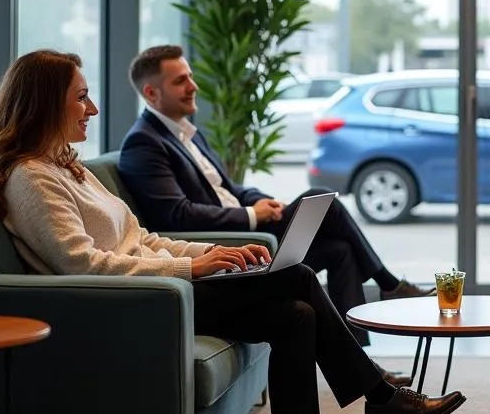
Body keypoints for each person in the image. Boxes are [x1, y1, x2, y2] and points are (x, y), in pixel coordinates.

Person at [0, 50, 467, 414]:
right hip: (144, 303)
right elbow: (82, 264)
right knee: (295, 277)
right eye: (82, 99)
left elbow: (142, 239)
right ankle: (380, 397)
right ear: (44, 103)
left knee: (296, 314)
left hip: (164, 286)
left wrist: (211, 251)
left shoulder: (67, 169)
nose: (93, 109)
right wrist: (192, 268)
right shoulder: (32, 179)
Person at [118, 45, 431, 383]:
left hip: (249, 231)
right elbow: (178, 216)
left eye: (190, 76)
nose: (193, 86)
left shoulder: (185, 133)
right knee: (319, 199)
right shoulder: (144, 144)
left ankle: (365, 366)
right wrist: (252, 216)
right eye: (181, 80)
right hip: (234, 245)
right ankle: (388, 284)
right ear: (151, 92)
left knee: (340, 252)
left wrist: (262, 201)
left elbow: (228, 189)